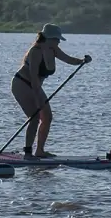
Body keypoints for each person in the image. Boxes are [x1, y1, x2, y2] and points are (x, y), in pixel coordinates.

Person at [11, 23, 91, 158]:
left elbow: (69, 59)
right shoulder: (35, 51)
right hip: (22, 84)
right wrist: (37, 99)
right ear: (48, 38)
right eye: (56, 39)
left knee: (47, 117)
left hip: (35, 86)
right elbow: (34, 77)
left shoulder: (54, 49)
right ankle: (28, 152)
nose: (59, 41)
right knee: (35, 117)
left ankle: (40, 151)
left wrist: (82, 61)